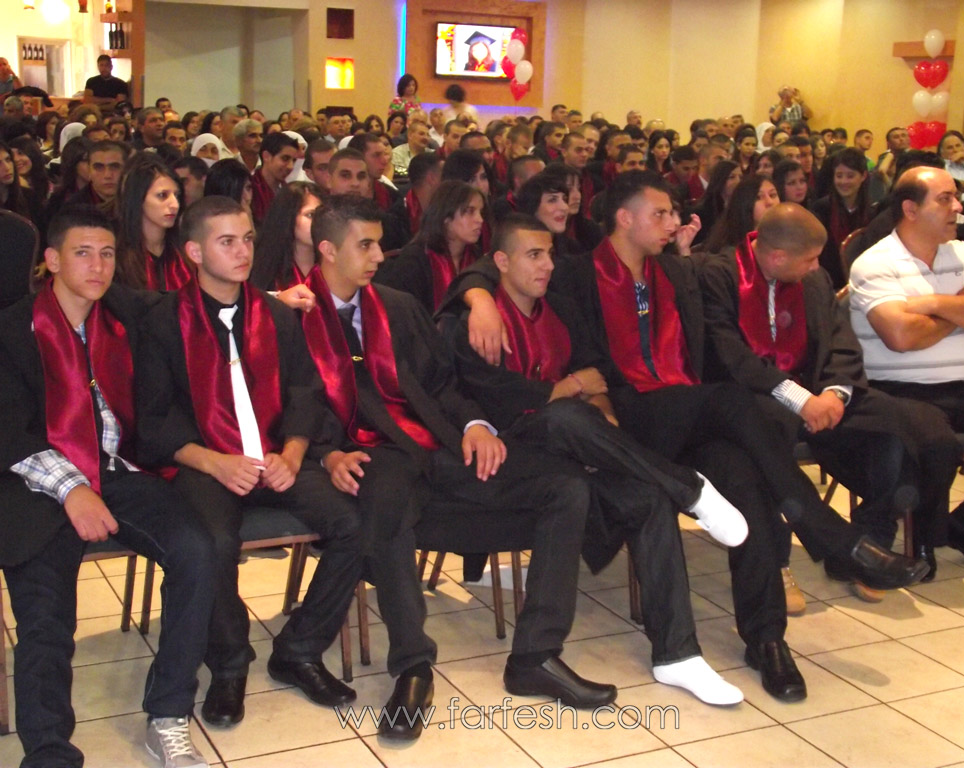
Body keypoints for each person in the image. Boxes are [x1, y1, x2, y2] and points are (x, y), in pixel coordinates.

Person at [445, 171, 931, 702]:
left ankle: (767, 639)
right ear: (625, 218)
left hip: (683, 415)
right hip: (627, 421)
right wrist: (479, 298)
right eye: (660, 213)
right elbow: (495, 265)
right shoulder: (574, 274)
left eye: (673, 213)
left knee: (747, 484)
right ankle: (830, 537)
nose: (672, 222)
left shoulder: (678, 272)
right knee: (731, 401)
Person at [301, 195, 614, 738]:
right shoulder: (292, 314)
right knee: (388, 498)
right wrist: (326, 453)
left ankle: (535, 655)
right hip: (365, 455)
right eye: (365, 245)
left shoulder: (397, 306)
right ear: (327, 250)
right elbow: (285, 404)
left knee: (564, 487)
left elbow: (443, 383)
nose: (378, 256)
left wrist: (474, 425)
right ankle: (413, 667)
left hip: (435, 447)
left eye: (379, 244)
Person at [447, 213, 749, 706]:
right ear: (500, 261)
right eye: (533, 255)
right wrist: (569, 388)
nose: (547, 266)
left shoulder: (560, 309)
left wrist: (601, 415)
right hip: (510, 459)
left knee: (647, 498)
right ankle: (689, 487)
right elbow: (498, 397)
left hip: (575, 451)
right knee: (564, 416)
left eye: (549, 254)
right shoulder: (476, 323)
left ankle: (678, 654)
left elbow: (598, 376)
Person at [135, 195, 365, 729]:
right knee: (212, 542)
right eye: (227, 242)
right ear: (195, 252)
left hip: (275, 454)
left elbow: (306, 392)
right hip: (206, 462)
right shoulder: (163, 321)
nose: (243, 252)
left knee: (354, 524)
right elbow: (154, 418)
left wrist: (293, 453)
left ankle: (300, 649)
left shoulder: (277, 314)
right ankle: (229, 663)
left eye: (247, 240)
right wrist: (215, 463)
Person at [0, 206, 215, 768]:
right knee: (46, 614)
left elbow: (193, 306)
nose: (97, 266)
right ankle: (49, 752)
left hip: (117, 470)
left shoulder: (123, 316)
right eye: (82, 253)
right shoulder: (11, 330)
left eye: (106, 254)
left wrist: (275, 299)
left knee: (198, 551)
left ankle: (168, 713)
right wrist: (73, 489)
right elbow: (8, 431)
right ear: (51, 261)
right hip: (34, 482)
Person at [701, 202, 959, 597]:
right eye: (809, 259)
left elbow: (841, 342)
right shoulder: (718, 275)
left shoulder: (814, 280)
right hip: (751, 397)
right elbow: (727, 355)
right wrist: (800, 400)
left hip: (816, 390)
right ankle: (777, 562)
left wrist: (835, 393)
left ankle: (868, 544)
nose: (816, 266)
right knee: (766, 433)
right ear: (777, 256)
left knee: (892, 421)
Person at [850, 166, 964, 575]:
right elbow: (901, 336)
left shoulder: (963, 253)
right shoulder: (875, 263)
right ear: (910, 209)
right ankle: (923, 539)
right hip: (898, 391)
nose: (957, 208)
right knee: (937, 447)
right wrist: (962, 307)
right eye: (944, 200)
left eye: (956, 198)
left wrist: (932, 304)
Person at [375, 180, 484, 311]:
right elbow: (406, 314)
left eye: (480, 212)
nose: (480, 220)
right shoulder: (415, 260)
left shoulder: (476, 257)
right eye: (470, 211)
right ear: (446, 218)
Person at [115, 153, 193, 292]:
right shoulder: (117, 256)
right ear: (138, 199)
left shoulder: (185, 252)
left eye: (177, 195)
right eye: (162, 195)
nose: (175, 204)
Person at [810, 147, 873, 287]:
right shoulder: (821, 209)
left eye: (850, 176)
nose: (844, 181)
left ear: (863, 176)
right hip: (829, 283)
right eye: (839, 176)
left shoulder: (872, 212)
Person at [251, 180, 323, 289]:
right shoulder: (265, 269)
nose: (318, 222)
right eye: (310, 215)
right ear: (288, 217)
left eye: (321, 215)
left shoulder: (332, 267)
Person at [381, 151, 443, 251]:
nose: (449, 180)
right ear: (432, 178)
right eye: (444, 175)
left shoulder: (443, 211)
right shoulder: (394, 219)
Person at [249, 131, 299, 227]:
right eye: (285, 158)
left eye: (293, 161)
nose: (290, 166)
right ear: (266, 156)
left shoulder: (290, 192)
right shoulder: (250, 189)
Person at [938, 130, 964, 197]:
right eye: (950, 148)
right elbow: (958, 185)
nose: (955, 150)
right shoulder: (941, 167)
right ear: (942, 153)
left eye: (958, 146)